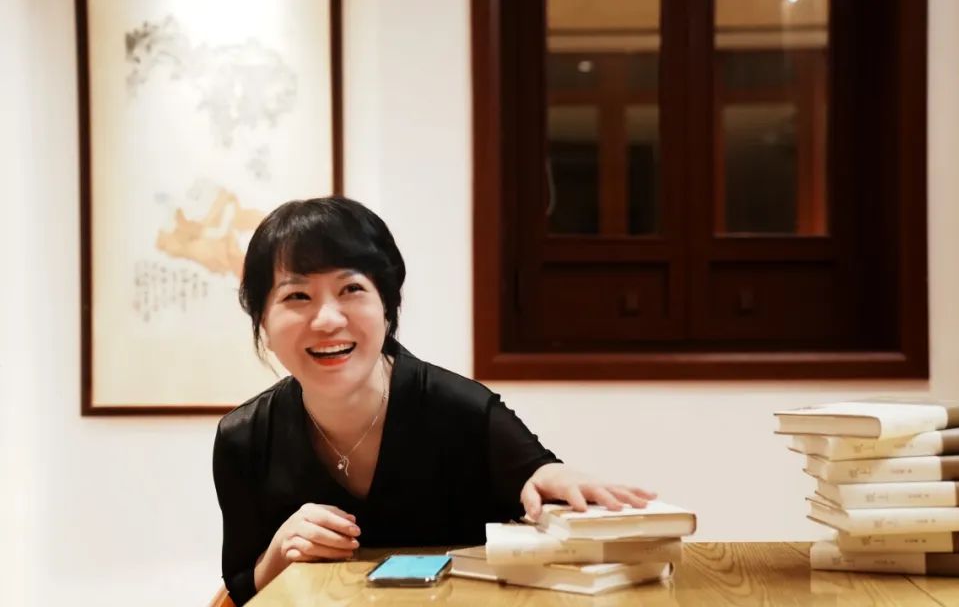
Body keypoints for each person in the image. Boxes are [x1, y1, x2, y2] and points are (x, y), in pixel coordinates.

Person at [213, 197, 657, 605]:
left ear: (386, 308)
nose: (328, 319)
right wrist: (279, 551)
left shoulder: (461, 409)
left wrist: (556, 483)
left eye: (351, 289)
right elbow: (241, 584)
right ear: (263, 322)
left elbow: (536, 474)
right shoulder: (244, 438)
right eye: (297, 296)